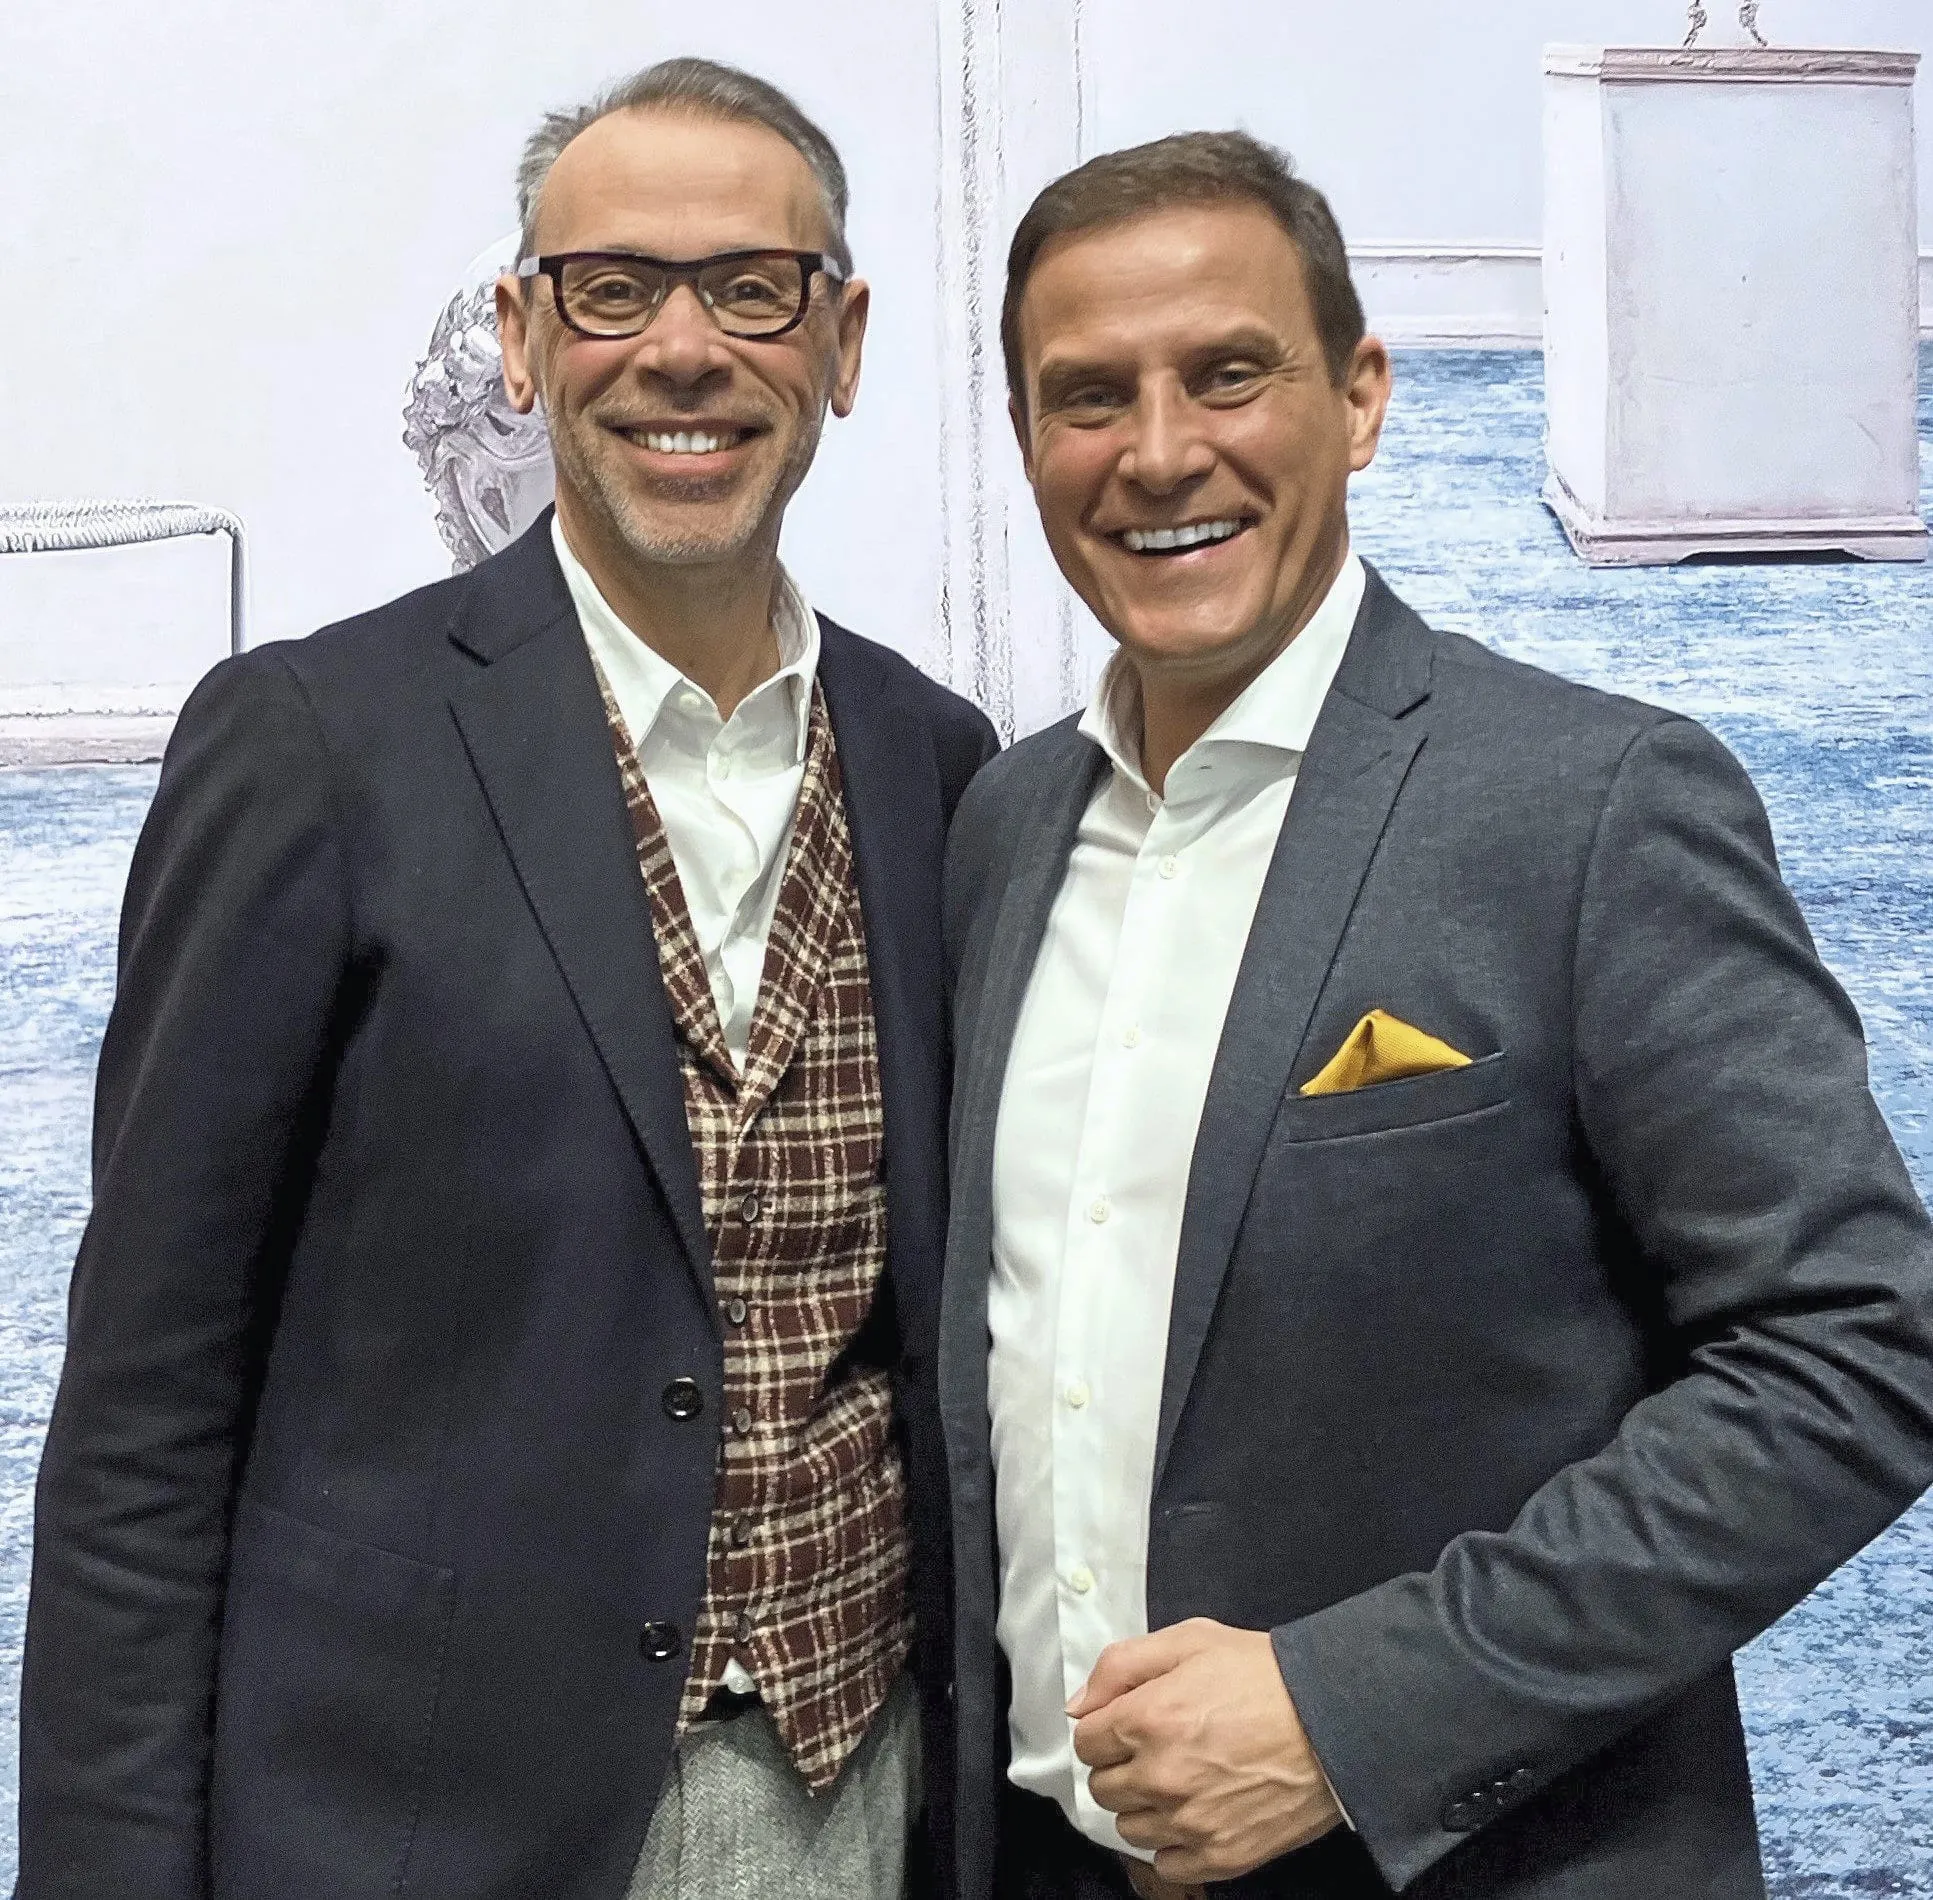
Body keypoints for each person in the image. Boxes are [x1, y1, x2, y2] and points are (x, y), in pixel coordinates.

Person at [18, 57, 996, 1900]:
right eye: (612, 290)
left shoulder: (936, 761)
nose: (682, 350)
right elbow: (148, 1400)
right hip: (415, 1824)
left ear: (843, 341)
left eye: (752, 288)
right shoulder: (312, 746)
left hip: (855, 1804)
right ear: (526, 340)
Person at [938, 130, 1933, 1900]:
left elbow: (1855, 1345)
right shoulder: (1001, 830)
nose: (1158, 451)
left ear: (1361, 398)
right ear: (1026, 440)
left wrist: (1353, 1713)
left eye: (1228, 373)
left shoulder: (1594, 802)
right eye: (1089, 396)